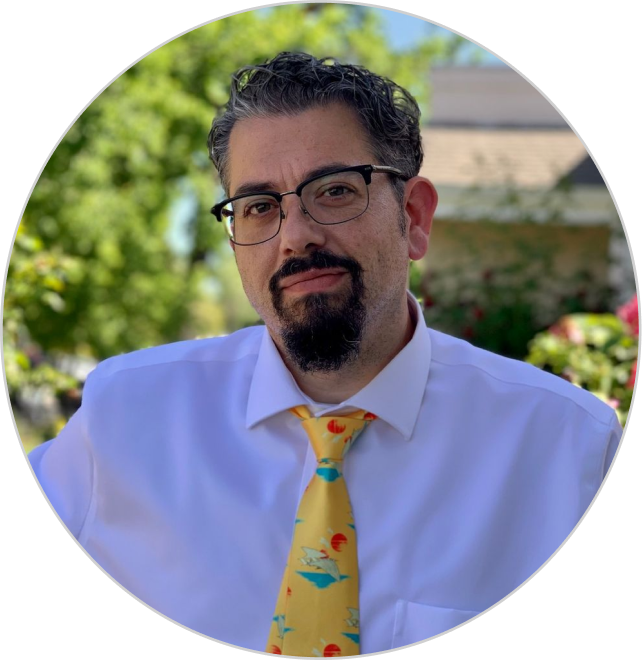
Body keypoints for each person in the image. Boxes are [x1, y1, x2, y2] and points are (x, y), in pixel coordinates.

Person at [28, 52, 622, 654]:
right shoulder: (125, 418)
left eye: (335, 191)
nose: (295, 235)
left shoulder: (568, 452)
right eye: (259, 206)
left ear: (413, 218)